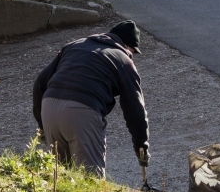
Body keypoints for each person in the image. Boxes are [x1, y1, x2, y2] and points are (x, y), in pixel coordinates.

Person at [33, 20, 149, 178]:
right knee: (90, 180)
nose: (132, 56)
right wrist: (141, 144)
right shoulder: (124, 60)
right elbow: (135, 109)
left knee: (61, 178)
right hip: (82, 113)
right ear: (128, 46)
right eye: (133, 52)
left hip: (49, 108)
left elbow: (40, 83)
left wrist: (42, 125)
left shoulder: (74, 45)